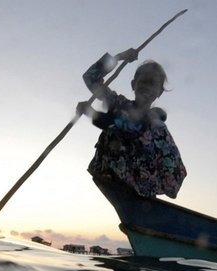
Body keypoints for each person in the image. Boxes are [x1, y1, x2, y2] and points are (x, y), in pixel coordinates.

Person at [76, 48, 187, 199]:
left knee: (157, 131)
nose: (146, 87)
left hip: (141, 185)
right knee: (116, 126)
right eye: (143, 81)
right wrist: (119, 57)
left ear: (159, 92)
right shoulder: (118, 103)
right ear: (133, 84)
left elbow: (131, 128)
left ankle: (144, 194)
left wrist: (93, 114)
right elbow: (91, 78)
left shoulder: (155, 122)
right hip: (113, 173)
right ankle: (116, 178)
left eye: (152, 83)